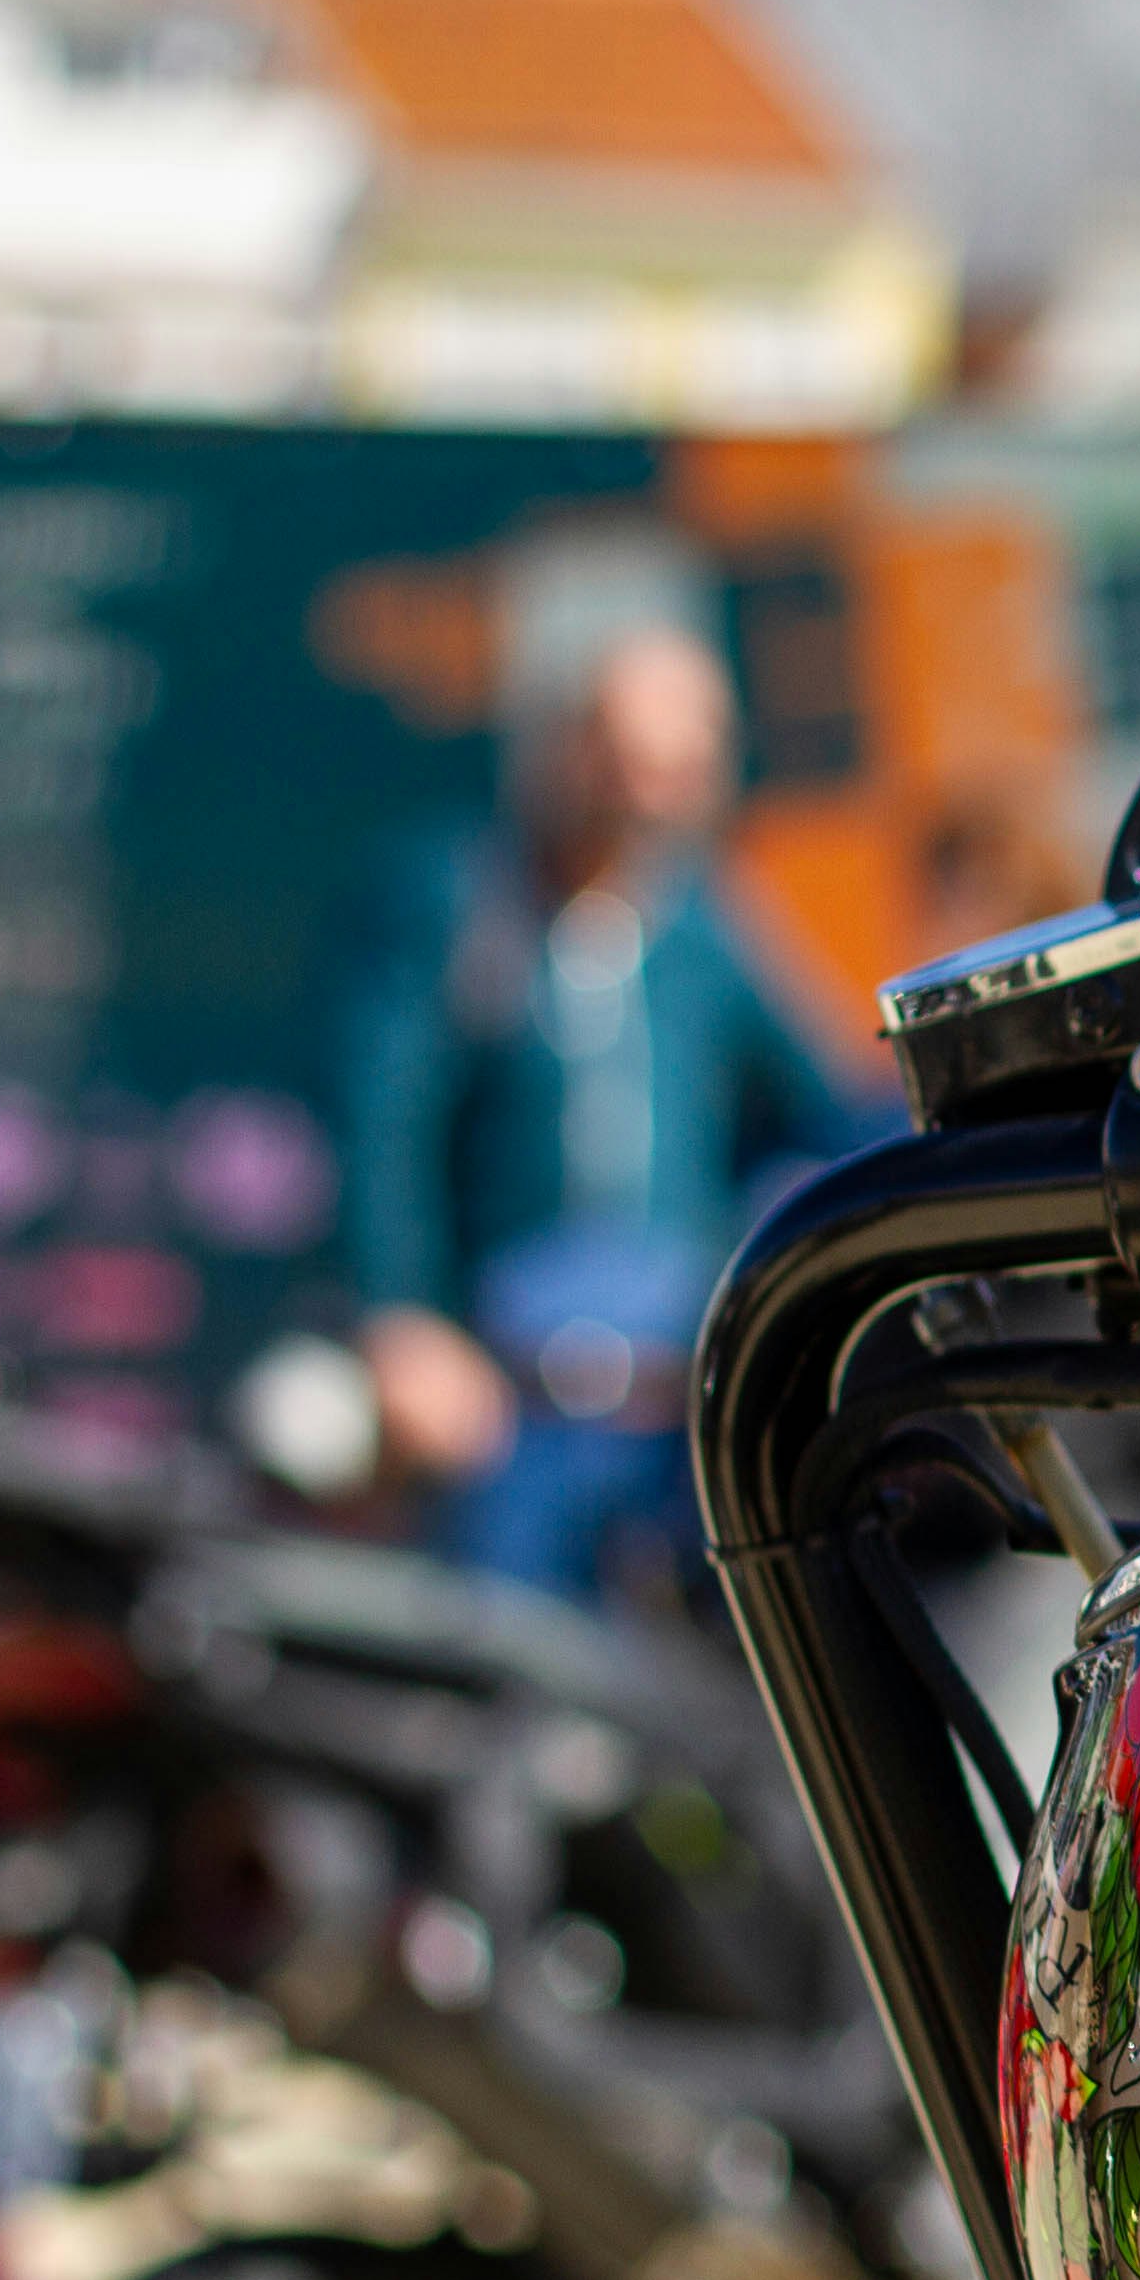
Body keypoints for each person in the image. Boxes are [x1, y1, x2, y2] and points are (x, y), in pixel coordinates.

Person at [333, 626, 882, 1601]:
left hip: (677, 1405)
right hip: (514, 1391)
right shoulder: (465, 905)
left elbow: (828, 1103)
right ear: (569, 750)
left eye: (677, 770)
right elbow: (387, 1130)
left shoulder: (703, 925)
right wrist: (403, 1320)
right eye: (625, 761)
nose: (645, 796)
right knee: (517, 1668)